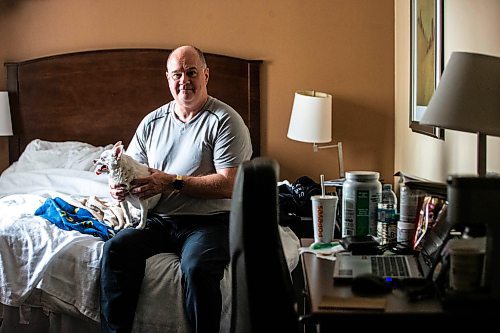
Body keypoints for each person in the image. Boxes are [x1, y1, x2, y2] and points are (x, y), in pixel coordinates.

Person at [99, 45, 253, 333]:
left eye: (192, 72)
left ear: (206, 75)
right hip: (160, 220)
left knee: (196, 268)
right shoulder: (151, 123)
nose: (185, 81)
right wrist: (117, 187)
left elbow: (231, 184)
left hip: (211, 222)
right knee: (116, 249)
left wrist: (171, 181)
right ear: (167, 79)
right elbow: (130, 169)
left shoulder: (225, 121)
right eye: (177, 74)